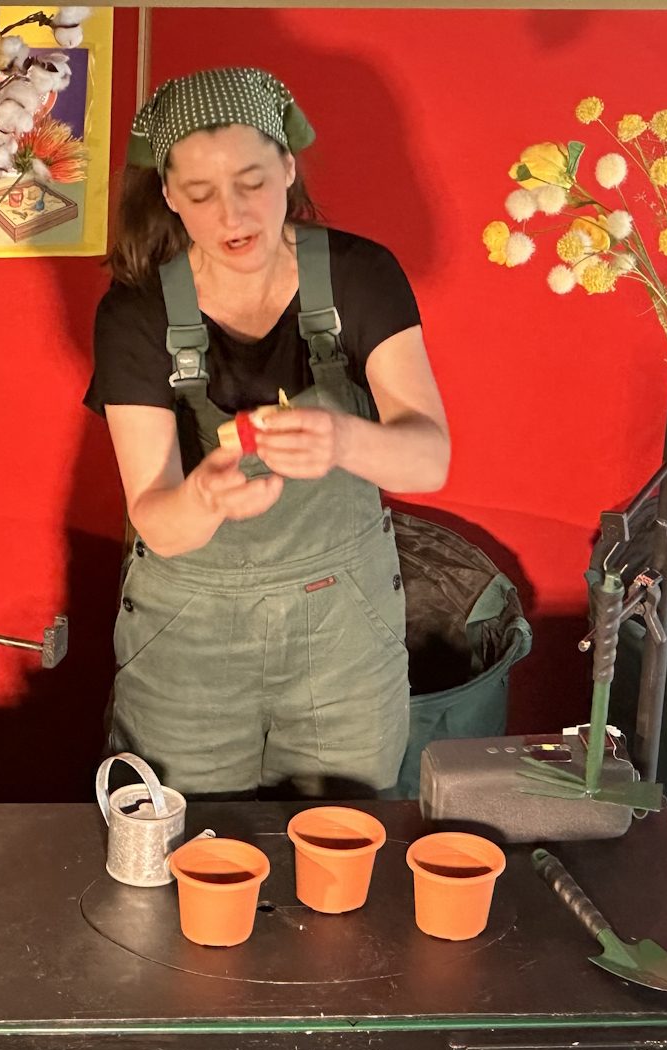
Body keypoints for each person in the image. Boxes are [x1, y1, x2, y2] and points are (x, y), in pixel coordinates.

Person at [84, 67, 451, 800]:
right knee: (185, 844)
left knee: (341, 843)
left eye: (251, 181)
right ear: (168, 196)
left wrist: (343, 440)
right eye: (200, 194)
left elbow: (429, 457)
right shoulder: (135, 315)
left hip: (343, 633)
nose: (232, 213)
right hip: (189, 638)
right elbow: (155, 515)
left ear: (287, 166)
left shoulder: (359, 277)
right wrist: (204, 498)